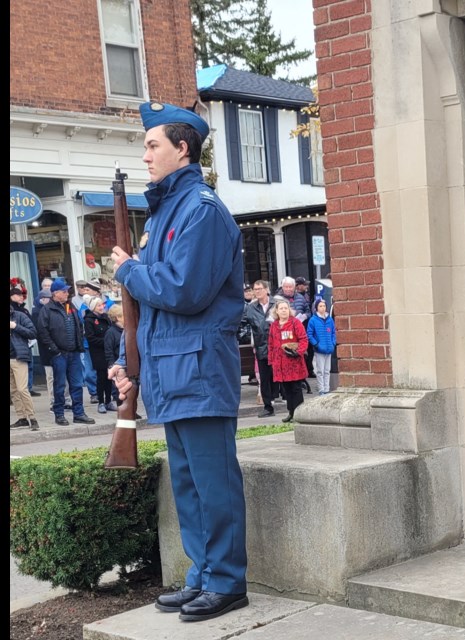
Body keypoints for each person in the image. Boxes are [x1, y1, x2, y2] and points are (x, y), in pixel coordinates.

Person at [108, 101, 248, 623]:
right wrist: (130, 364)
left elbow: (185, 291)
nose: (145, 155)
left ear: (181, 148)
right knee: (188, 484)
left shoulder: (201, 210)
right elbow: (144, 314)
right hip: (172, 366)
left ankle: (228, 582)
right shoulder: (169, 209)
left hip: (198, 367)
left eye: (152, 144)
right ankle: (203, 574)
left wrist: (129, 272)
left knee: (214, 483)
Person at [36, 278, 96, 427]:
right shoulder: (47, 310)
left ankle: (79, 413)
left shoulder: (71, 307)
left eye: (67, 290)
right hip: (59, 354)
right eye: (64, 291)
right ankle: (59, 414)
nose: (67, 293)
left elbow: (78, 326)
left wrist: (79, 344)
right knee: (60, 386)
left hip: (74, 352)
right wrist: (54, 351)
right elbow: (43, 332)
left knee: (76, 385)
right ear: (55, 293)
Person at [267, 299, 308, 422]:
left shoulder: (295, 323)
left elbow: (303, 339)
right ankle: (291, 412)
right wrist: (271, 361)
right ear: (277, 311)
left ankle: (299, 414)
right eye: (281, 308)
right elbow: (270, 344)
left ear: (289, 310)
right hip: (279, 363)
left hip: (293, 362)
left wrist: (298, 351)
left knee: (296, 388)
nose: (284, 310)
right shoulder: (274, 325)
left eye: (286, 308)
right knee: (286, 390)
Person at [242, 280, 277, 418]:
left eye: (259, 289)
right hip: (261, 345)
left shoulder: (276, 304)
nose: (257, 291)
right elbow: (244, 323)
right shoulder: (251, 307)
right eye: (255, 289)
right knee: (264, 377)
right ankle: (268, 406)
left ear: (267, 289)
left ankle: (290, 404)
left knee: (280, 375)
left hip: (277, 346)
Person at [10, 288, 40, 430]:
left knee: (22, 389)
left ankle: (32, 418)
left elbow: (33, 333)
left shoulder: (19, 316)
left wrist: (15, 327)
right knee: (13, 390)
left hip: (18, 357)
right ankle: (21, 418)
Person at [82, 295, 115, 414]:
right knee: (101, 377)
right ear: (93, 307)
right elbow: (90, 338)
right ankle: (101, 401)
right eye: (99, 305)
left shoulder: (106, 317)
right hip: (98, 352)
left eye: (102, 305)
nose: (102, 307)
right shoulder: (89, 320)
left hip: (108, 351)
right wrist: (106, 342)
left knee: (109, 377)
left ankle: (108, 401)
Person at [306, 298, 336, 395]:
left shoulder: (330, 320)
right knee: (320, 371)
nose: (322, 308)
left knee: (327, 370)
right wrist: (316, 344)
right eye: (320, 306)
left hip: (329, 348)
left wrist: (333, 343)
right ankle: (321, 389)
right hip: (319, 349)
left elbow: (333, 332)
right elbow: (309, 334)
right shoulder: (313, 320)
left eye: (324, 306)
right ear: (316, 308)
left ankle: (327, 388)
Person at [103, 303, 124, 408]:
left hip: (126, 364)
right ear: (118, 318)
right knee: (119, 391)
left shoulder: (126, 330)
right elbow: (108, 351)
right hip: (117, 364)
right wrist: (112, 365)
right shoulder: (111, 332)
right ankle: (123, 410)